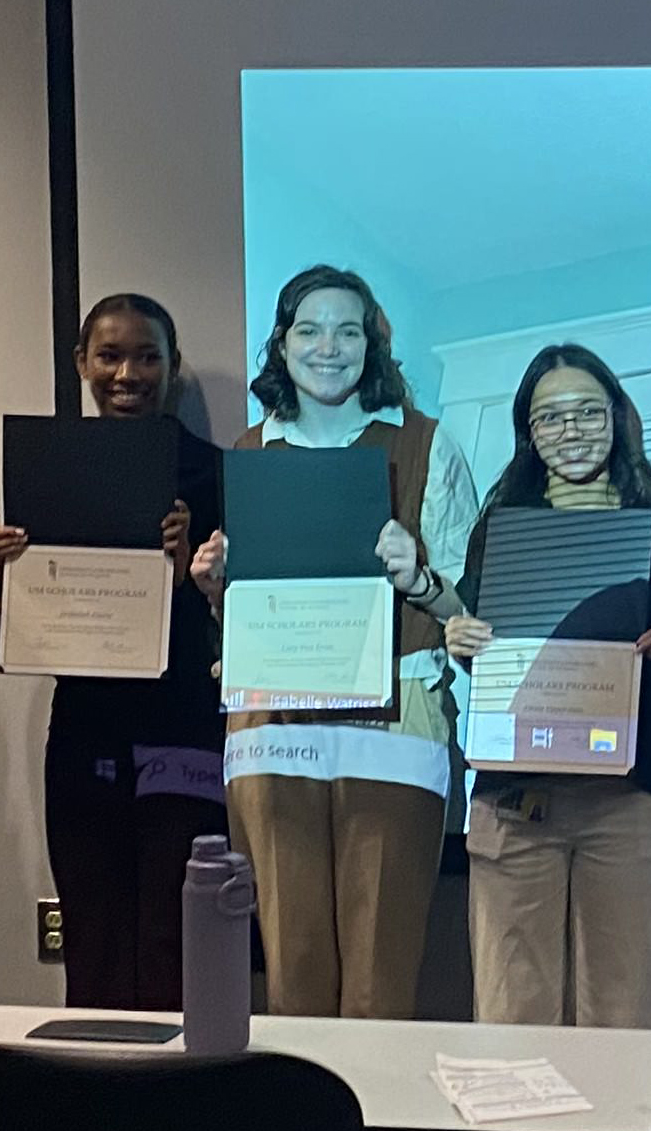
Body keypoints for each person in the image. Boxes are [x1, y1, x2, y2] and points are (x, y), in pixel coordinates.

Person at [444, 345, 651, 1131]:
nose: (572, 430)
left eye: (589, 412)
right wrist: (463, 645)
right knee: (512, 999)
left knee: (621, 999)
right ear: (528, 431)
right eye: (552, 415)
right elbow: (486, 654)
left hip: (623, 796)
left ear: (618, 419)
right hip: (514, 798)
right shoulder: (501, 530)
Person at [186, 264, 478, 1020]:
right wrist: (216, 587)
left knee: (384, 970)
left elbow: (471, 609)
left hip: (396, 721)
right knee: (291, 963)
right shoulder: (247, 452)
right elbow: (251, 618)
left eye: (348, 330)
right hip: (274, 728)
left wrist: (418, 576)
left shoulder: (425, 446)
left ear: (371, 345)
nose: (329, 347)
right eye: (309, 330)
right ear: (281, 346)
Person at [0, 294, 225, 1010]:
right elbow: (40, 615)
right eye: (110, 355)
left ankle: (179, 1096)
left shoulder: (215, 472)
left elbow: (236, 625)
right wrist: (10, 575)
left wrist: (189, 582)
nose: (128, 373)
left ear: (173, 367)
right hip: (86, 726)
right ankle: (98, 1097)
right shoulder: (50, 466)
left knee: (177, 936)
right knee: (93, 931)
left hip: (185, 725)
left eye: (148, 355)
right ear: (81, 361)